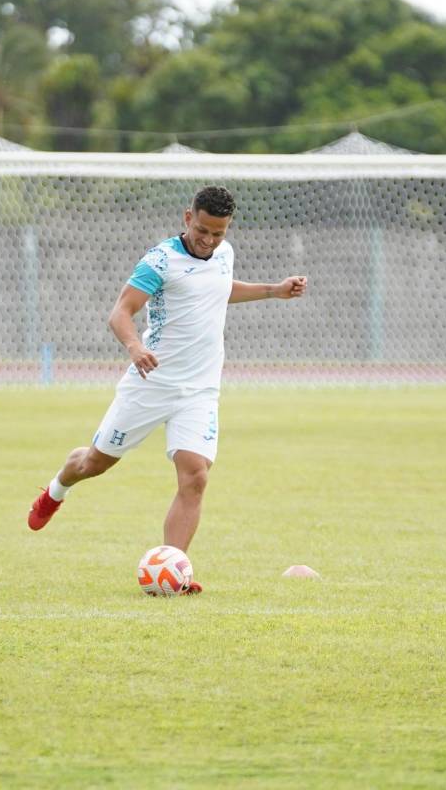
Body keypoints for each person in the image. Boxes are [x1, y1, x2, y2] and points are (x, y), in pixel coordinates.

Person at [26, 186, 307, 592]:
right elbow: (120, 311)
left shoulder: (223, 255)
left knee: (195, 477)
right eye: (204, 230)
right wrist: (135, 346)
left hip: (199, 390)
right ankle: (56, 490)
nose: (210, 240)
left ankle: (174, 570)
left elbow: (218, 289)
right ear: (187, 217)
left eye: (219, 233)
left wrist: (273, 290)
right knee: (94, 463)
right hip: (150, 384)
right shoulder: (159, 261)